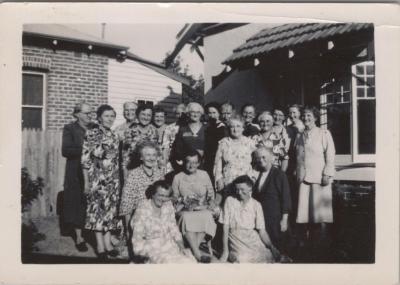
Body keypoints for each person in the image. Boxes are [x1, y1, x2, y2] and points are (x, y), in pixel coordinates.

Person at [294, 106, 335, 262]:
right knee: (304, 215)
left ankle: (321, 249)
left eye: (309, 116)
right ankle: (307, 248)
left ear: (315, 117)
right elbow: (298, 157)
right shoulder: (299, 135)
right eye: (304, 116)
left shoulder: (324, 134)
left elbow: (330, 154)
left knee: (319, 215)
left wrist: (327, 173)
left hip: (319, 178)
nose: (306, 118)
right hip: (303, 179)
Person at [81, 104, 121, 260]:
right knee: (97, 212)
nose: (110, 119)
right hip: (97, 179)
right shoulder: (91, 134)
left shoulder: (115, 135)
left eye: (112, 116)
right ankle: (100, 246)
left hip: (113, 179)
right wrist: (86, 183)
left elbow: (116, 159)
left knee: (110, 212)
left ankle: (108, 243)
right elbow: (85, 160)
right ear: (99, 117)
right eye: (106, 116)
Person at [131, 180, 196, 264]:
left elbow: (174, 229)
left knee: (189, 261)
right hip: (151, 249)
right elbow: (137, 236)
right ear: (153, 194)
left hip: (169, 245)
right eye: (160, 195)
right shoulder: (142, 209)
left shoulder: (168, 205)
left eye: (166, 196)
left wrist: (182, 247)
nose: (163, 199)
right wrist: (142, 255)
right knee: (169, 264)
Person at [219, 175, 280, 263]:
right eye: (237, 189)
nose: (239, 192)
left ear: (250, 189)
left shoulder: (256, 205)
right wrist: (225, 250)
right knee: (241, 259)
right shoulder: (230, 201)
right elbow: (225, 227)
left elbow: (262, 231)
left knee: (267, 256)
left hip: (252, 239)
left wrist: (271, 247)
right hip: (236, 239)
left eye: (242, 190)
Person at [172, 150, 218, 263]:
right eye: (188, 162)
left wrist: (210, 203)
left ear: (198, 163)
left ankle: (192, 250)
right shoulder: (178, 177)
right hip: (184, 209)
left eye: (194, 162)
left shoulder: (204, 174)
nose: (191, 165)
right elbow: (173, 198)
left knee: (207, 215)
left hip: (202, 208)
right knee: (187, 217)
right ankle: (197, 254)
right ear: (183, 162)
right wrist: (183, 201)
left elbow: (211, 194)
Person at [61, 102, 94, 252]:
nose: (90, 116)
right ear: (77, 114)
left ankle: (92, 232)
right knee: (77, 202)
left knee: (92, 202)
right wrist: (87, 149)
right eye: (87, 113)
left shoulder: (94, 128)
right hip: (75, 172)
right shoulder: (70, 129)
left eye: (91, 113)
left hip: (94, 171)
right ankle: (79, 237)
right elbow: (66, 150)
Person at [251, 146, 291, 253]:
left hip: (275, 219)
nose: (261, 160)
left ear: (271, 158)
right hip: (261, 218)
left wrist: (284, 219)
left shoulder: (279, 175)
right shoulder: (256, 174)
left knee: (279, 247)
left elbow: (286, 198)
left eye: (264, 157)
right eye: (258, 158)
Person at [119, 141, 164, 235]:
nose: (151, 158)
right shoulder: (133, 175)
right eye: (148, 155)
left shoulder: (159, 174)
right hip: (140, 216)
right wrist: (128, 231)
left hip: (157, 214)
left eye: (154, 155)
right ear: (141, 157)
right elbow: (126, 204)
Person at [214, 115, 257, 197]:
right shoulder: (223, 143)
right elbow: (217, 164)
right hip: (228, 180)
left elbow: (257, 163)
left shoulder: (250, 143)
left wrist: (253, 178)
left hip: (246, 181)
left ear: (243, 128)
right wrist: (219, 179)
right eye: (232, 126)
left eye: (238, 126)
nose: (235, 129)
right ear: (228, 129)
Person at [122, 104, 157, 177]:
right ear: (137, 115)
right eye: (143, 114)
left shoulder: (154, 131)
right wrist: (125, 174)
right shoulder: (130, 131)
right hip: (133, 169)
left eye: (149, 115)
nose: (146, 117)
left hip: (150, 170)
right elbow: (125, 156)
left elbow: (157, 152)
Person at [171, 102, 206, 171]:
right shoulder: (183, 129)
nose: (195, 114)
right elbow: (177, 149)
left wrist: (204, 153)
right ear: (188, 113)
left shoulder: (207, 129)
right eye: (193, 112)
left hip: (204, 166)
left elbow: (212, 148)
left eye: (198, 112)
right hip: (187, 165)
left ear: (201, 114)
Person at [204, 102, 227, 181]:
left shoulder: (222, 127)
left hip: (216, 157)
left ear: (218, 113)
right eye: (209, 113)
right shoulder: (207, 126)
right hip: (207, 157)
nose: (212, 115)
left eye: (214, 113)